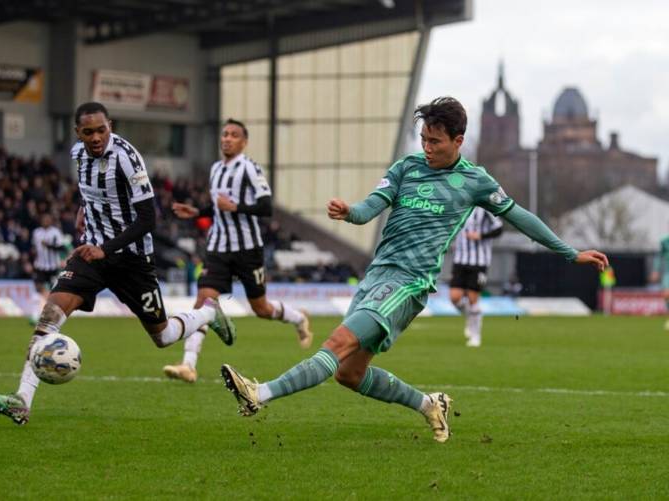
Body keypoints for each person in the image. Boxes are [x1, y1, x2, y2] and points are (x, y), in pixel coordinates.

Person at [220, 97, 608, 443]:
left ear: (458, 140)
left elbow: (520, 216)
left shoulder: (475, 181)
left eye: (435, 141)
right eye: (423, 139)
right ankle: (429, 404)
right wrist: (351, 212)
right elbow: (371, 206)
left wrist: (570, 253)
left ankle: (259, 393)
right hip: (377, 276)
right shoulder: (407, 167)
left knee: (337, 344)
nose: (427, 148)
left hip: (409, 284)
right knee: (349, 374)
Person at [0, 102, 236, 425]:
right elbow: (91, 192)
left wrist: (106, 248)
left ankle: (209, 313)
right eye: (88, 132)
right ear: (78, 133)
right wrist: (84, 211)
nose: (95, 137)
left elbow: (149, 219)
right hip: (91, 255)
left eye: (101, 130)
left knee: (163, 336)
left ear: (110, 126)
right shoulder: (78, 155)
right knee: (48, 318)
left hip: (132, 260)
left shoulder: (127, 158)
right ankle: (22, 400)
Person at [161, 119, 313, 383]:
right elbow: (218, 207)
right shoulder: (216, 169)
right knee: (204, 301)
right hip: (218, 248)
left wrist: (235, 207)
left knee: (261, 308)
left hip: (247, 250)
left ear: (244, 142)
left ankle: (299, 318)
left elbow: (266, 207)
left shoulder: (249, 168)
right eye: (225, 134)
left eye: (233, 135)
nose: (227, 139)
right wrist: (197, 212)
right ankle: (188, 365)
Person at [449, 207, 503, 347]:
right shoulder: (459, 205)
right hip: (459, 259)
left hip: (479, 262)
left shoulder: (485, 208)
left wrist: (481, 236)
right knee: (454, 297)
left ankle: (475, 335)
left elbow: (499, 228)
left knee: (473, 298)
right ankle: (470, 316)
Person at [28, 213, 67, 325]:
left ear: (51, 221)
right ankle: (34, 316)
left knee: (53, 292)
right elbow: (34, 248)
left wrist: (49, 245)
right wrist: (30, 261)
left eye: (48, 219)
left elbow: (62, 248)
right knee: (37, 289)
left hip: (53, 267)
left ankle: (52, 317)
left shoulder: (55, 232)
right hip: (40, 266)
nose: (45, 221)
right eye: (44, 219)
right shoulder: (36, 232)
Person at [649, 233, 669, 330]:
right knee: (666, 294)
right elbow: (659, 256)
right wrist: (655, 270)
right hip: (667, 271)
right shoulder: (665, 242)